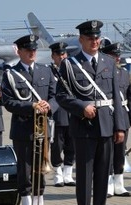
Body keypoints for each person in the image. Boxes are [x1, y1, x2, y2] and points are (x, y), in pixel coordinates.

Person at [56, 20, 125, 205]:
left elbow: (116, 96)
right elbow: (61, 95)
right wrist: (80, 106)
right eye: (90, 38)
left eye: (97, 38)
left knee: (104, 174)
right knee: (85, 177)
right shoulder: (70, 64)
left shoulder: (108, 62)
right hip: (83, 126)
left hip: (106, 125)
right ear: (81, 40)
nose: (94, 41)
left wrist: (120, 127)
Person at [1, 34, 58, 205]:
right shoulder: (11, 74)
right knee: (25, 171)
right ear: (19, 51)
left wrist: (48, 106)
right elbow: (8, 102)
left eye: (34, 49)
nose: (32, 52)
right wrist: (31, 107)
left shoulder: (46, 71)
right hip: (23, 129)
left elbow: (55, 96)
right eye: (28, 50)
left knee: (41, 169)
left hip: (42, 128)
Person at [101, 42, 131, 198]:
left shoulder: (123, 73)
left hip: (122, 116)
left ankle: (119, 184)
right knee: (107, 152)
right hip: (108, 116)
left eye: (118, 55)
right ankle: (108, 184)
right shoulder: (103, 73)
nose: (117, 58)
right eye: (114, 55)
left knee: (120, 152)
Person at [49, 42, 76, 187]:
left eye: (64, 54)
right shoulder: (49, 72)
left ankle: (68, 173)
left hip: (71, 113)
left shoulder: (71, 70)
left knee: (71, 144)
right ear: (53, 56)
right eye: (59, 54)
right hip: (57, 114)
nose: (62, 56)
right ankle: (58, 173)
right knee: (57, 146)